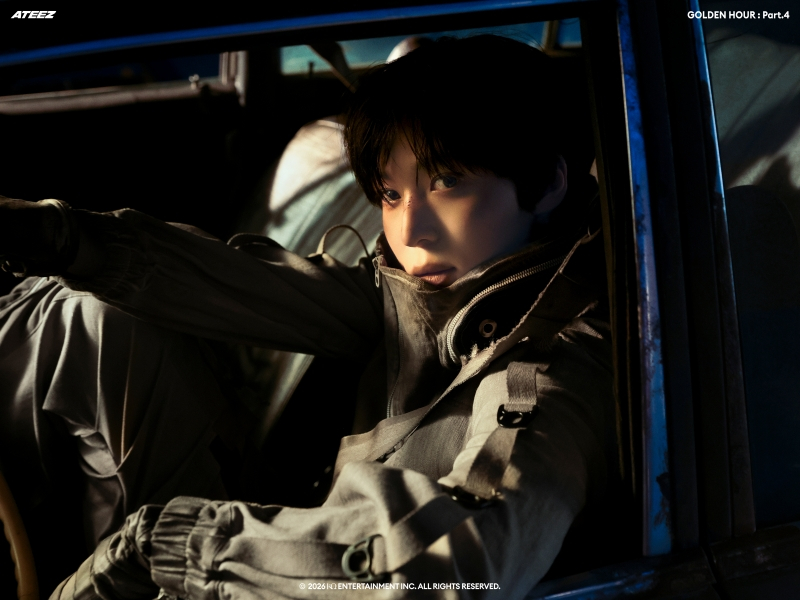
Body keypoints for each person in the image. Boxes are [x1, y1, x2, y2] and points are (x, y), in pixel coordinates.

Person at [0, 35, 615, 599]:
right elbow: (246, 283)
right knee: (84, 317)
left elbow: (460, 568)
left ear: (548, 183)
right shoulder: (428, 291)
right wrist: (60, 240)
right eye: (391, 194)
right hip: (289, 524)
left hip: (322, 575)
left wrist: (174, 543)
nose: (409, 231)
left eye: (447, 182)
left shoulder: (549, 371)